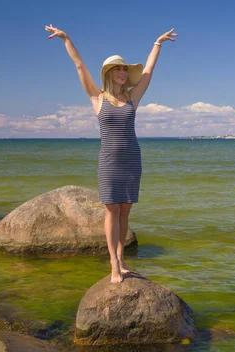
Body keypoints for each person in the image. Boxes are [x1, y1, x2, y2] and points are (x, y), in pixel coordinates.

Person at [45, 24, 177, 283]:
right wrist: (66, 39)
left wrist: (157, 44)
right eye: (118, 68)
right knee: (111, 211)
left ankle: (122, 257)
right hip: (109, 163)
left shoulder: (132, 98)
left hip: (131, 161)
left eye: (125, 69)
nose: (123, 72)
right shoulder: (97, 97)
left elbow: (148, 73)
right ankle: (113, 264)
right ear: (109, 73)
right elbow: (80, 66)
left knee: (125, 211)